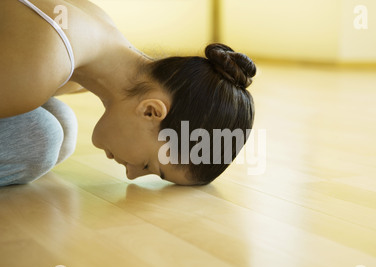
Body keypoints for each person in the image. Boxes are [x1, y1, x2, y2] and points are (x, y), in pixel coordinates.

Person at [0, 0, 256, 187]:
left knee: (62, 125)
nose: (131, 175)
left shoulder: (93, 36)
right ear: (151, 111)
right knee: (41, 138)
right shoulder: (43, 63)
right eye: (147, 165)